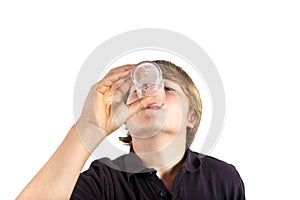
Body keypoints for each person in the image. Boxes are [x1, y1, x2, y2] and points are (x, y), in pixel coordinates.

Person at [17, 60, 245, 199]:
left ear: (192, 116)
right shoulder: (103, 182)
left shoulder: (224, 179)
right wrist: (90, 127)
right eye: (137, 91)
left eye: (166, 87)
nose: (149, 93)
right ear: (126, 120)